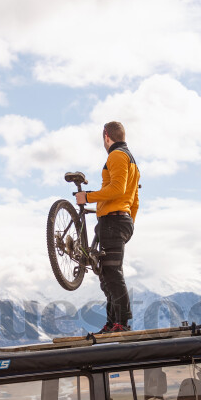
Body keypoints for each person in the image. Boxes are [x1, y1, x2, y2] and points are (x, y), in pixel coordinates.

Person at [75, 121, 139, 333]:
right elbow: (134, 200)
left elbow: (117, 189)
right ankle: (113, 323)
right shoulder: (131, 161)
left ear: (106, 135)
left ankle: (121, 323)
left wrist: (88, 197)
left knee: (111, 273)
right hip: (117, 221)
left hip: (114, 221)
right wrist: (129, 223)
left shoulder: (117, 155)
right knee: (107, 276)